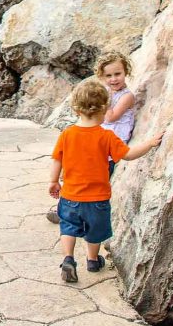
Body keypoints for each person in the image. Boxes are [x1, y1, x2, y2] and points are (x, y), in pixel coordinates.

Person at [48, 79, 163, 283]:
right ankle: (92, 260)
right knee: (94, 231)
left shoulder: (67, 134)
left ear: (76, 109)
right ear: (104, 108)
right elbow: (128, 154)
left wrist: (53, 181)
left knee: (68, 227)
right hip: (97, 199)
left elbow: (57, 159)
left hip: (70, 196)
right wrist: (150, 143)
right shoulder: (106, 136)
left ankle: (68, 259)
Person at [45, 51, 137, 224]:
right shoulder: (105, 93)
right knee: (77, 174)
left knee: (95, 180)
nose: (113, 79)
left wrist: (104, 100)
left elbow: (110, 117)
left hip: (110, 146)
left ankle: (84, 213)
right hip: (93, 140)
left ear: (126, 72)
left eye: (118, 74)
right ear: (101, 76)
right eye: (108, 76)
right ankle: (64, 207)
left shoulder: (127, 96)